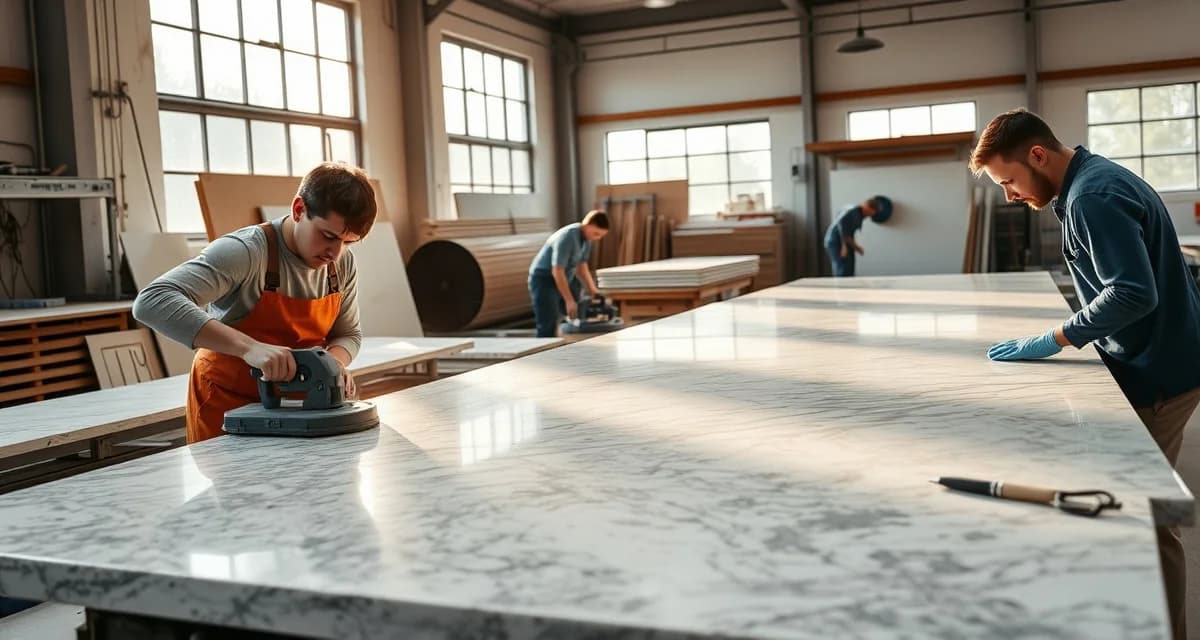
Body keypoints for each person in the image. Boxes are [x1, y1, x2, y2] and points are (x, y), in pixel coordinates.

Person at [970, 108, 1200, 640]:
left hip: (1160, 373)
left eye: (1008, 181)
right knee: (1127, 505)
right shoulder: (1090, 181)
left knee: (1142, 515)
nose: (1009, 196)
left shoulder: (1091, 196)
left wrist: (1057, 338)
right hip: (1156, 358)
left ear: (1037, 156)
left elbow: (1134, 292)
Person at [133, 162, 377, 444]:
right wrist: (251, 349)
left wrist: (331, 365)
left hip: (301, 413)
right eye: (329, 236)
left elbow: (348, 334)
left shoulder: (340, 264)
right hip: (227, 407)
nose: (335, 253)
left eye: (349, 242)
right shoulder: (245, 252)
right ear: (299, 210)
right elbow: (152, 300)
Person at [527, 210, 609, 337]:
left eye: (600, 236)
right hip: (545, 279)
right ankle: (545, 346)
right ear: (587, 224)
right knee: (548, 321)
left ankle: (566, 339)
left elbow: (582, 266)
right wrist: (568, 300)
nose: (597, 238)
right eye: (596, 233)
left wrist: (593, 290)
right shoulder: (567, 237)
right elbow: (557, 270)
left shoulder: (586, 239)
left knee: (577, 300)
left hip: (565, 277)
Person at [823, 195, 893, 276]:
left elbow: (849, 233)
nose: (871, 215)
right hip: (835, 242)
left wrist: (856, 247)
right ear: (867, 207)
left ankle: (849, 287)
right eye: (872, 212)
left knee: (849, 267)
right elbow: (842, 224)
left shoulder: (858, 214)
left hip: (844, 242)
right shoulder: (853, 211)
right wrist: (844, 246)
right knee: (843, 268)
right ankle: (842, 288)